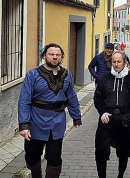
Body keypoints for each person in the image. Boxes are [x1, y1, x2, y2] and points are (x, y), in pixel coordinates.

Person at [18, 43, 82, 178]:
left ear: (61, 57)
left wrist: (76, 116)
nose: (54, 57)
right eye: (51, 54)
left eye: (57, 55)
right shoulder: (33, 74)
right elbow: (24, 100)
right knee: (32, 156)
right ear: (44, 56)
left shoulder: (67, 74)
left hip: (57, 122)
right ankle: (36, 175)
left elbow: (71, 96)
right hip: (36, 121)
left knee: (54, 158)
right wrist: (24, 125)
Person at [94, 51, 130, 178]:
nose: (116, 64)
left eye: (119, 61)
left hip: (125, 121)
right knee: (101, 152)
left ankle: (120, 175)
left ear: (124, 62)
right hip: (106, 121)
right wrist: (102, 112)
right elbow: (97, 98)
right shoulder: (104, 78)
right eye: (114, 62)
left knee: (123, 152)